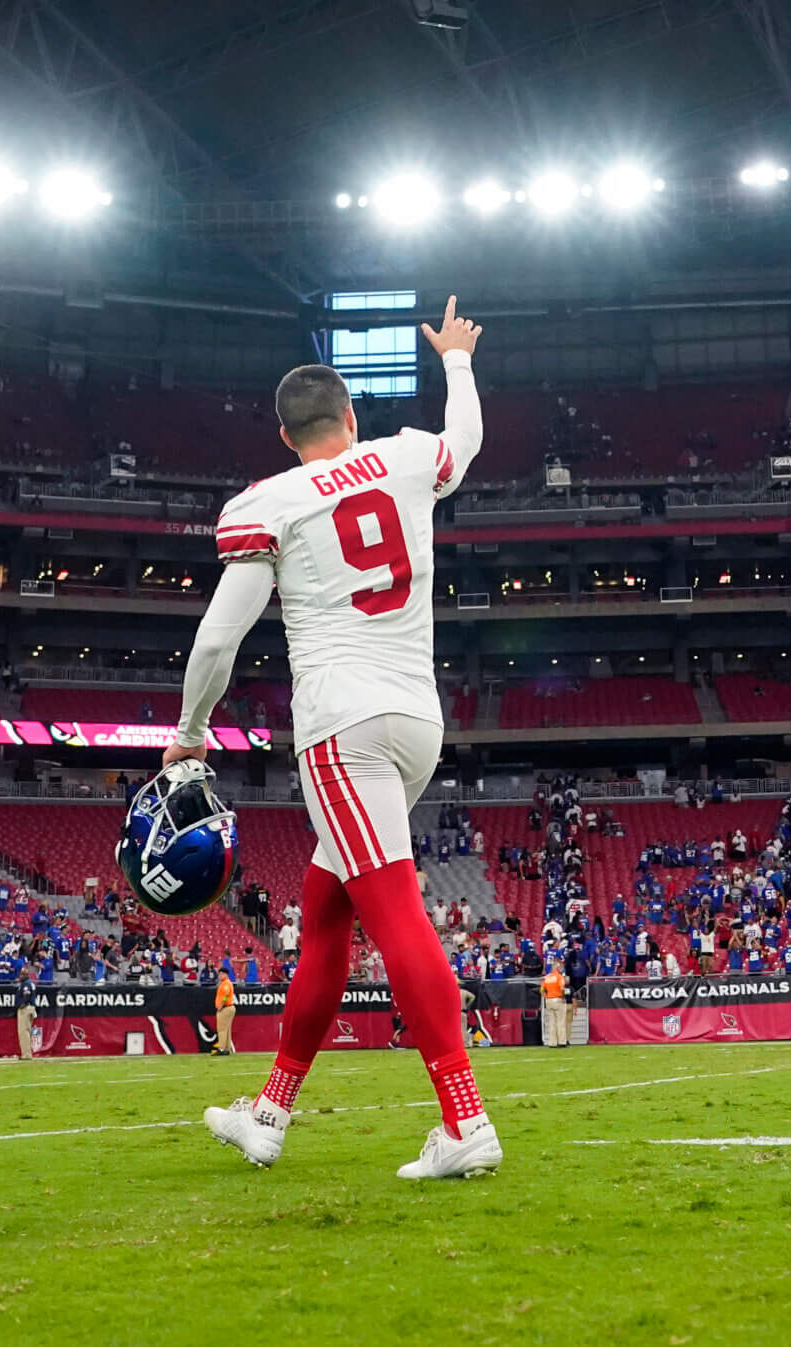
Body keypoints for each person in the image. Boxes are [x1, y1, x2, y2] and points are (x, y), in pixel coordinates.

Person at [169, 298, 496, 1180]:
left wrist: (190, 733)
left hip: (341, 725)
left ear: (284, 436)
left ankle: (464, 1119)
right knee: (324, 912)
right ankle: (270, 1113)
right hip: (416, 721)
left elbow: (216, 639)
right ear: (351, 416)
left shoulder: (269, 500)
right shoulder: (399, 454)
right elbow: (462, 439)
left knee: (391, 912)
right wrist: (456, 361)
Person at [540, 958, 570, 1048]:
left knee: (551, 1022)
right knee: (560, 1021)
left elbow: (541, 990)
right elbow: (562, 988)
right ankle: (562, 1042)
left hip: (549, 1000)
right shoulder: (559, 977)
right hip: (558, 999)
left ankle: (552, 1043)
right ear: (558, 968)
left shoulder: (547, 977)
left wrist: (546, 997)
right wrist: (563, 997)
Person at [213, 968, 239, 1056]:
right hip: (229, 1007)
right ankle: (227, 1048)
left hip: (225, 1008)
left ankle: (222, 1048)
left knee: (222, 1029)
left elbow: (226, 994)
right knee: (227, 1029)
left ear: (225, 974)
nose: (219, 976)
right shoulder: (227, 983)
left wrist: (221, 1005)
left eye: (221, 974)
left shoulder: (226, 984)